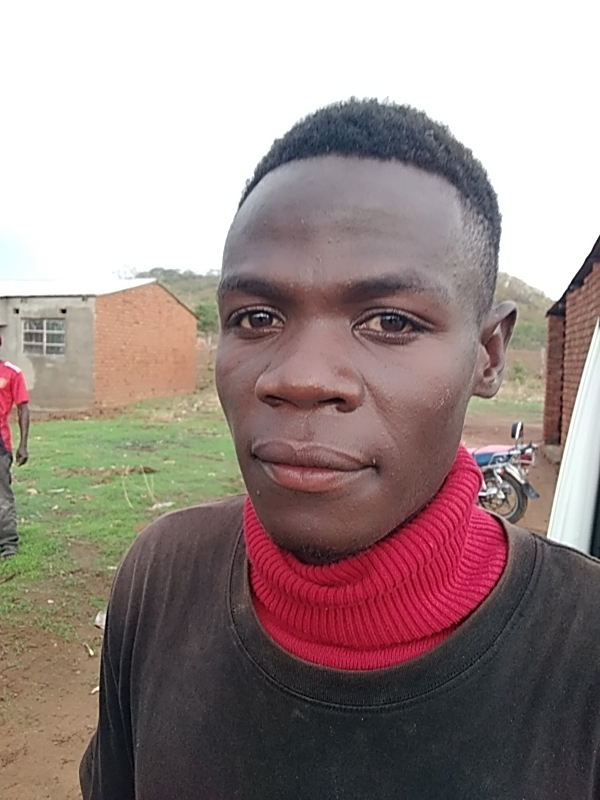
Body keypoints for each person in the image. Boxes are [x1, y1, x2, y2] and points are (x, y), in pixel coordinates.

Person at [81, 101, 600, 799]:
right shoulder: (161, 578)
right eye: (256, 317)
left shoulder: (582, 650)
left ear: (487, 353)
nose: (300, 378)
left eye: (391, 322)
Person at [0, 336, 30, 559]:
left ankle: (8, 544)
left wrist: (23, 445)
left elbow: (23, 409)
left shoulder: (12, 373)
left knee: (2, 495)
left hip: (0, 444)